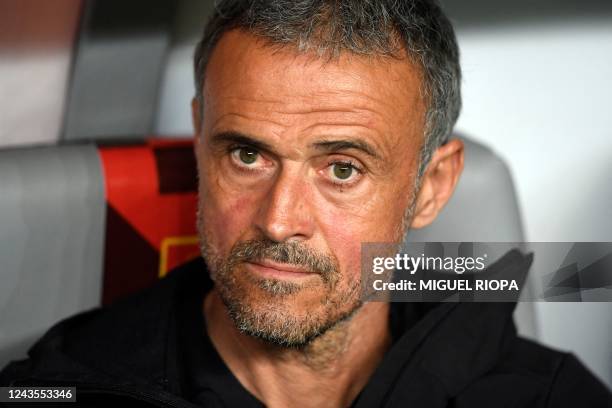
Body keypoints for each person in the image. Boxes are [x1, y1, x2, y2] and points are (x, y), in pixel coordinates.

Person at [1, 0, 611, 406]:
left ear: (431, 187)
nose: (277, 220)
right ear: (200, 138)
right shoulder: (62, 389)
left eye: (342, 169)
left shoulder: (546, 394)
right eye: (246, 156)